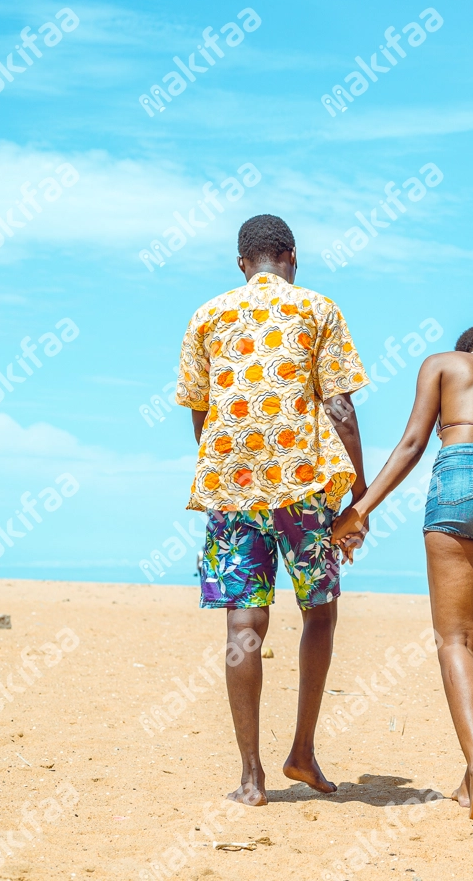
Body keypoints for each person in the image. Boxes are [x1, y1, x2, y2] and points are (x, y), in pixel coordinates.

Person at [332, 325, 473, 823]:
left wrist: (361, 508)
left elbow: (414, 443)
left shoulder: (441, 363)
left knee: (455, 640)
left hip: (460, 480)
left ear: (468, 351)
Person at [175, 214, 370, 806]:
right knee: (319, 611)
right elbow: (338, 407)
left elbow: (199, 410)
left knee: (243, 626)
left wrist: (229, 465)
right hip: (304, 486)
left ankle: (251, 776)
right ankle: (302, 751)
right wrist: (358, 496)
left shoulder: (208, 314)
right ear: (291, 256)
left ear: (242, 263)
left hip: (232, 488)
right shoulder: (319, 308)